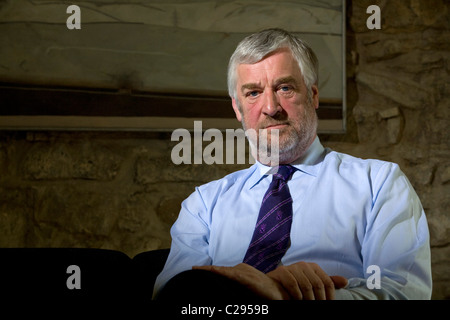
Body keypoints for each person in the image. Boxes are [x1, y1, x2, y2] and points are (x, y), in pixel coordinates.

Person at [152, 28, 432, 300]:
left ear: (313, 96)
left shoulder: (379, 184)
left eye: (285, 88)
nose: (271, 107)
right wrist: (250, 291)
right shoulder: (203, 206)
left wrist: (300, 297)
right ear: (237, 108)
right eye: (253, 93)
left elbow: (403, 292)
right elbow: (176, 297)